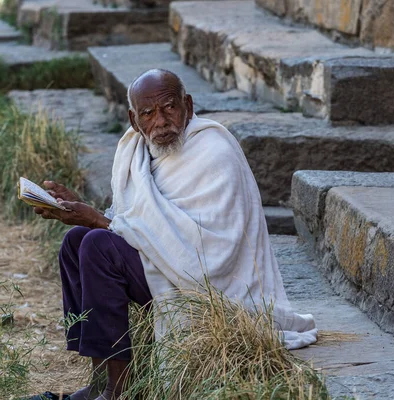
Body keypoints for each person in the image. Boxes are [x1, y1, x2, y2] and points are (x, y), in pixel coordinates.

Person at [29, 69, 317, 400]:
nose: (161, 122)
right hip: (166, 265)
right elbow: (136, 218)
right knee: (75, 242)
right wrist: (82, 211)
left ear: (188, 107)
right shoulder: (135, 149)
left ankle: (118, 392)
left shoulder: (214, 152)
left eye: (169, 108)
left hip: (212, 285)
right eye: (148, 114)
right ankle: (99, 382)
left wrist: (95, 220)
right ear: (134, 120)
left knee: (96, 243)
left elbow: (209, 250)